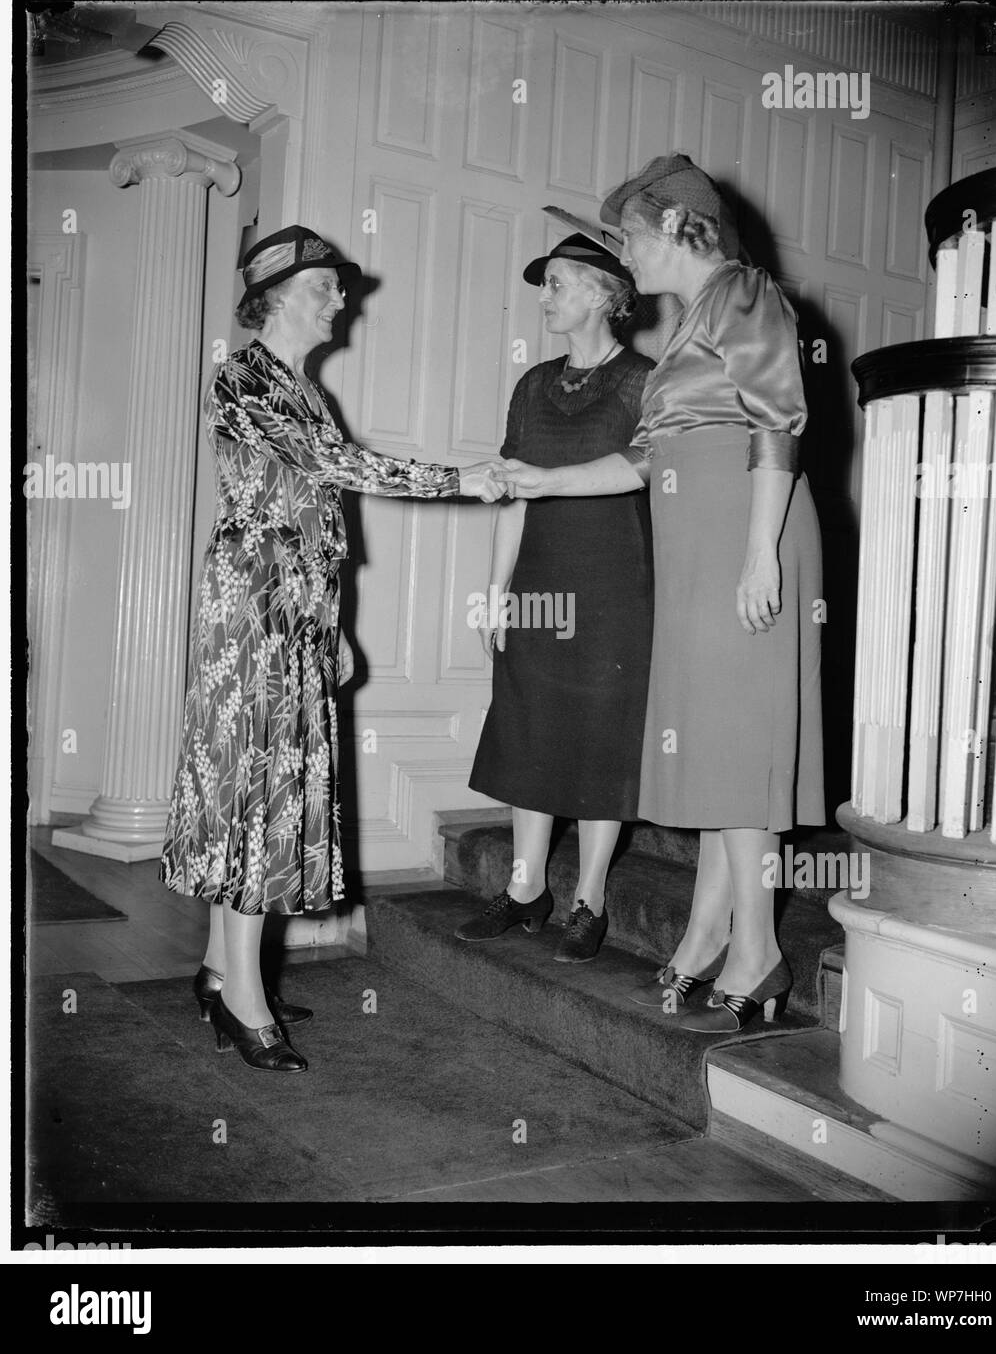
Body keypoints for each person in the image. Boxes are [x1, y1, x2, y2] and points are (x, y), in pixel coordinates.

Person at [161, 225, 501, 1072]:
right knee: (259, 789)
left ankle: (219, 970)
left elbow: (314, 512)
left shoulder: (301, 387)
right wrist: (461, 480)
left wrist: (336, 621)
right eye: (324, 287)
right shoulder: (244, 376)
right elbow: (332, 467)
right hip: (255, 603)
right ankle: (244, 999)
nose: (340, 300)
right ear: (275, 296)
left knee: (264, 781)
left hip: (295, 604)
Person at [499, 155, 826, 1031]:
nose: (626, 257)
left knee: (741, 750)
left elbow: (777, 418)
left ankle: (758, 951)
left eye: (632, 237)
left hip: (744, 529)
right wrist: (534, 479)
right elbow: (642, 459)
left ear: (682, 228)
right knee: (720, 751)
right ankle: (716, 933)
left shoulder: (746, 294)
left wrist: (761, 554)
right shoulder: (685, 326)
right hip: (695, 537)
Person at [457, 227, 654, 962]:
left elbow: (645, 468)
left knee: (606, 738)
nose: (545, 296)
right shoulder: (532, 385)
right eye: (545, 284)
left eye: (560, 282)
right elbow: (511, 490)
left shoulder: (644, 379)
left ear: (606, 293)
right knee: (529, 726)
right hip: (539, 580)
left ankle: (589, 899)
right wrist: (495, 589)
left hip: (617, 585)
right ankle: (526, 888)